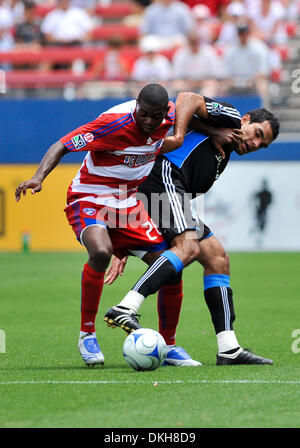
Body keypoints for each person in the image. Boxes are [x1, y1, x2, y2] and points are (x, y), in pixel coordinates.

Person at [14, 84, 203, 367]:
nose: (149, 122)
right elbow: (62, 145)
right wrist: (39, 177)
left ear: (165, 112)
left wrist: (221, 132)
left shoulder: (170, 117)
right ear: (136, 106)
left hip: (127, 203)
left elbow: (197, 115)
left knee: (170, 267)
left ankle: (170, 345)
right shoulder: (113, 123)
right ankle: (87, 334)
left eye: (155, 116)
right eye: (144, 114)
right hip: (89, 195)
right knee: (101, 252)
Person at [104, 92, 280, 366]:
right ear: (245, 120)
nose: (255, 143)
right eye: (257, 133)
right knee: (187, 247)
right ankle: (126, 307)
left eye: (262, 144)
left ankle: (228, 348)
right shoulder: (231, 116)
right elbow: (187, 99)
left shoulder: (224, 155)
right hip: (164, 179)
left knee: (218, 259)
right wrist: (180, 136)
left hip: (172, 193)